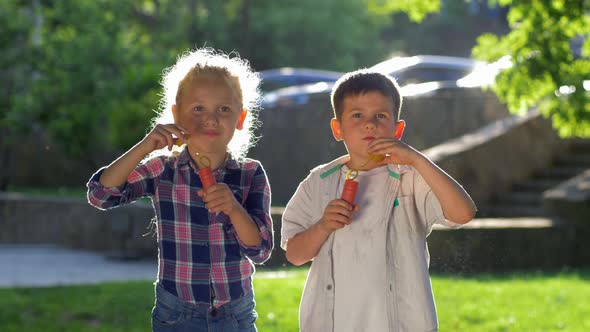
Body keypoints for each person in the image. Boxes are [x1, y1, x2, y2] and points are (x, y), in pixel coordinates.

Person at [87, 47, 273, 332]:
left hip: (235, 313)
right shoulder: (163, 169)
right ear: (176, 114)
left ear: (240, 118)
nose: (210, 118)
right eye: (198, 108)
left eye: (223, 109)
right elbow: (101, 195)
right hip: (176, 313)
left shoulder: (250, 173)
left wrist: (234, 209)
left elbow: (260, 250)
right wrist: (145, 146)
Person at [281, 69, 477, 331]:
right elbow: (294, 254)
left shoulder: (411, 178)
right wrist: (323, 226)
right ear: (337, 128)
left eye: (380, 116)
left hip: (400, 322)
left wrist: (417, 159)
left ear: (397, 130)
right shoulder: (319, 183)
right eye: (357, 115)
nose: (369, 124)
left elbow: (463, 213)